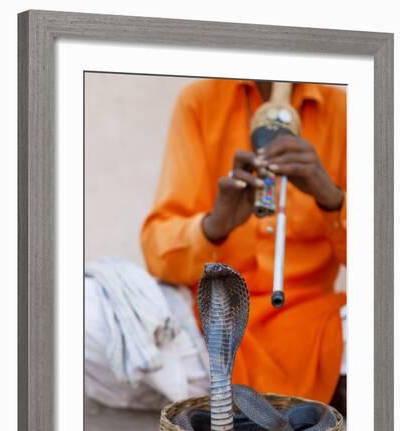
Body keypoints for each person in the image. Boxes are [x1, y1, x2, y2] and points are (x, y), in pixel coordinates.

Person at [140, 79, 347, 408]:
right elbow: (157, 254)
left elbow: (383, 263)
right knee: (89, 308)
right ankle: (308, 396)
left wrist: (332, 199)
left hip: (312, 326)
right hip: (208, 319)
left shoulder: (343, 109)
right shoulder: (201, 101)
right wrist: (214, 226)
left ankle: (214, 398)